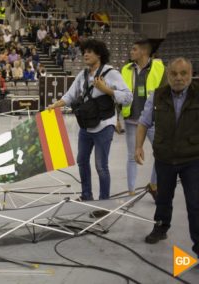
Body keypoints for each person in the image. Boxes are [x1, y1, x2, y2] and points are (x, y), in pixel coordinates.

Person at [48, 39, 132, 204]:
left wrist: (107, 90)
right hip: (86, 125)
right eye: (84, 51)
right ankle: (86, 195)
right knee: (82, 161)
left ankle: (104, 202)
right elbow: (70, 95)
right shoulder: (83, 75)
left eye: (90, 51)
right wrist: (55, 105)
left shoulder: (111, 73)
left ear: (99, 54)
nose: (86, 54)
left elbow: (128, 97)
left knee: (101, 166)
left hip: (105, 124)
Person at [135, 57, 199, 258]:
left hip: (192, 159)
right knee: (163, 198)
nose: (178, 78)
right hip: (164, 158)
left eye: (183, 73)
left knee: (195, 203)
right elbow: (144, 122)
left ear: (191, 74)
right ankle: (161, 229)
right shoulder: (157, 95)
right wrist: (138, 146)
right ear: (168, 75)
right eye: (174, 73)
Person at [121, 39, 166, 197]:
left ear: (144, 52)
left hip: (152, 120)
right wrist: (117, 118)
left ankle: (153, 184)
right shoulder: (126, 69)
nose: (131, 52)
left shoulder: (160, 68)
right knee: (131, 156)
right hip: (131, 119)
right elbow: (120, 92)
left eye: (134, 49)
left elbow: (166, 92)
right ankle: (131, 192)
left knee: (161, 154)